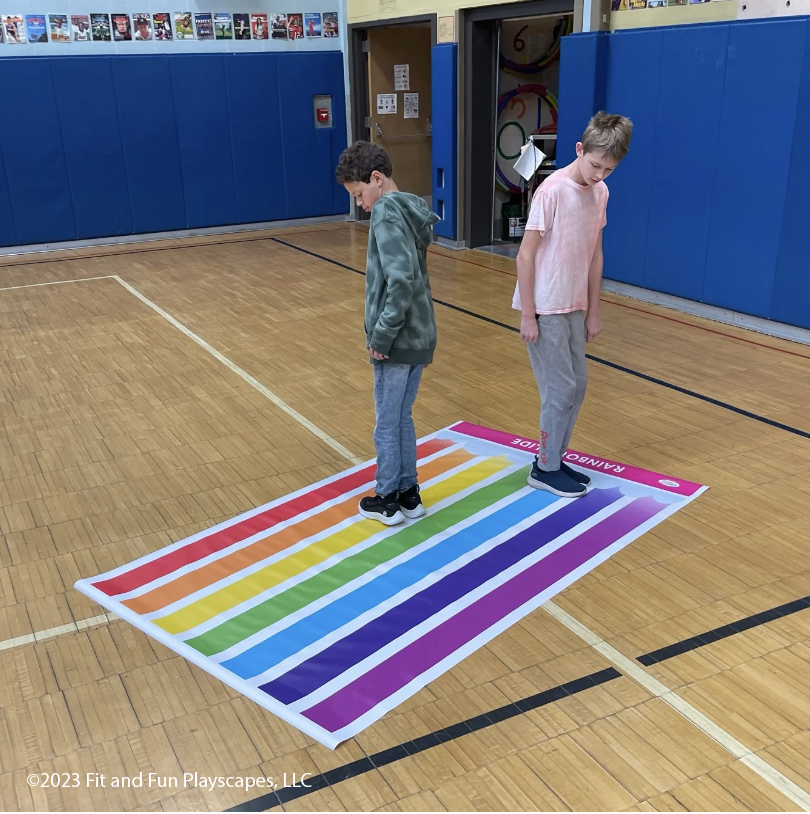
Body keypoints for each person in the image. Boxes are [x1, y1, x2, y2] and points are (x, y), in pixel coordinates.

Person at [515, 111, 633, 497]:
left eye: (609, 169)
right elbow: (525, 256)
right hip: (544, 305)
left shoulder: (601, 193)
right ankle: (544, 468)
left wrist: (594, 309)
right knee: (559, 388)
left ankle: (554, 458)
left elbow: (595, 254)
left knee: (577, 385)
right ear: (580, 149)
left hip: (574, 303)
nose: (600, 175)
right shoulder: (551, 191)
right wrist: (528, 314)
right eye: (596, 165)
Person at [335, 141, 440, 526]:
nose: (360, 203)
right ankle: (410, 493)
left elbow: (400, 281)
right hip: (420, 335)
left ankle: (387, 498)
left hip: (396, 340)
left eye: (358, 193)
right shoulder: (410, 208)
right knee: (402, 417)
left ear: (377, 179)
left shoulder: (384, 212)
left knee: (386, 422)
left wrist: (381, 336)